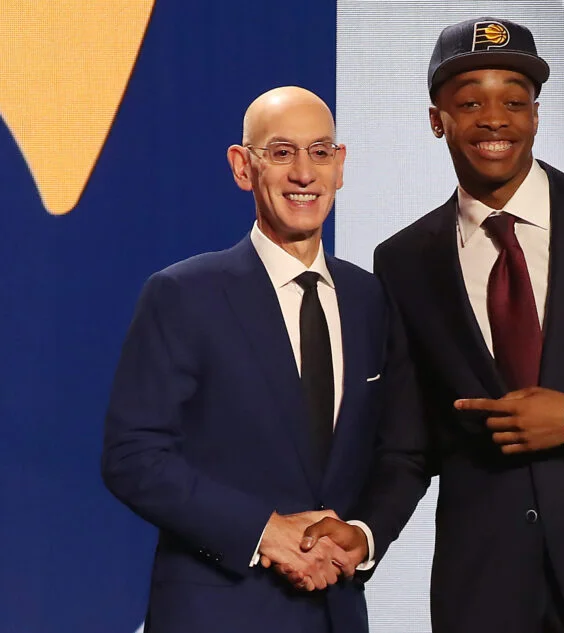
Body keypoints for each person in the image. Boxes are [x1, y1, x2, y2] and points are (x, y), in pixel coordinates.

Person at [305, 16, 564, 633]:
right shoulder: (403, 260)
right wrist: (365, 532)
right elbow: (409, 444)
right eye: (469, 102)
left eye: (514, 101)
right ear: (437, 120)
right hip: (484, 592)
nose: (494, 119)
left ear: (535, 115)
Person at [101, 86, 403, 633]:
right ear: (243, 167)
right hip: (218, 612)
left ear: (340, 166)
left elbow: (398, 449)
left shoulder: (370, 299)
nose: (304, 174)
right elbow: (133, 456)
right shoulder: (183, 294)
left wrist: (363, 534)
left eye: (320, 152)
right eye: (282, 153)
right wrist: (263, 531)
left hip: (335, 612)